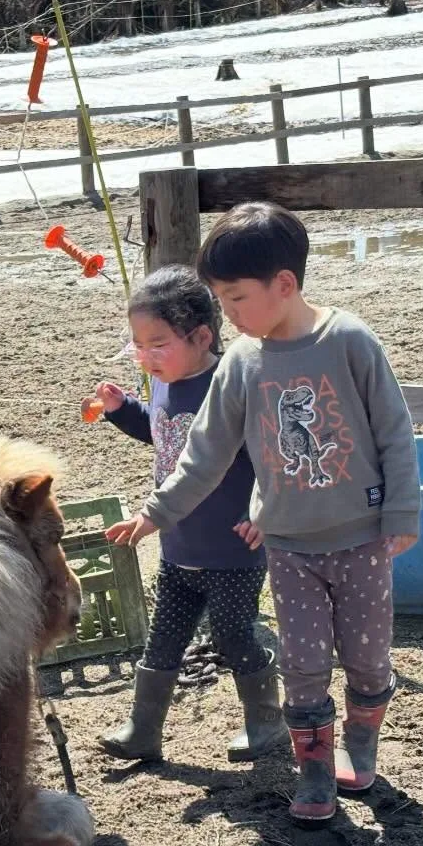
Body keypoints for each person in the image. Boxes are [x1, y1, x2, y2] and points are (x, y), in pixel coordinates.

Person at [106, 203, 420, 824]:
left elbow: (394, 431)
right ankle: (314, 773)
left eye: (237, 298)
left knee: (367, 659)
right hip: (289, 545)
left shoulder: (350, 341)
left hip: (360, 539)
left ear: (284, 283)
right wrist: (156, 513)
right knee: (303, 665)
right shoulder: (242, 364)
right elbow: (204, 455)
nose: (228, 314)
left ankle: (360, 743)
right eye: (221, 300)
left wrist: (402, 512)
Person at [84, 264, 283, 765]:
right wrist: (123, 409)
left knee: (233, 635)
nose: (146, 357)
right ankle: (143, 730)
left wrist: (262, 510)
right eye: (137, 345)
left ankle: (268, 722)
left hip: (232, 548)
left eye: (158, 344)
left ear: (201, 337)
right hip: (177, 545)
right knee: (163, 640)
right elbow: (160, 432)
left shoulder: (230, 383)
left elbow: (270, 454)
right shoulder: (164, 383)